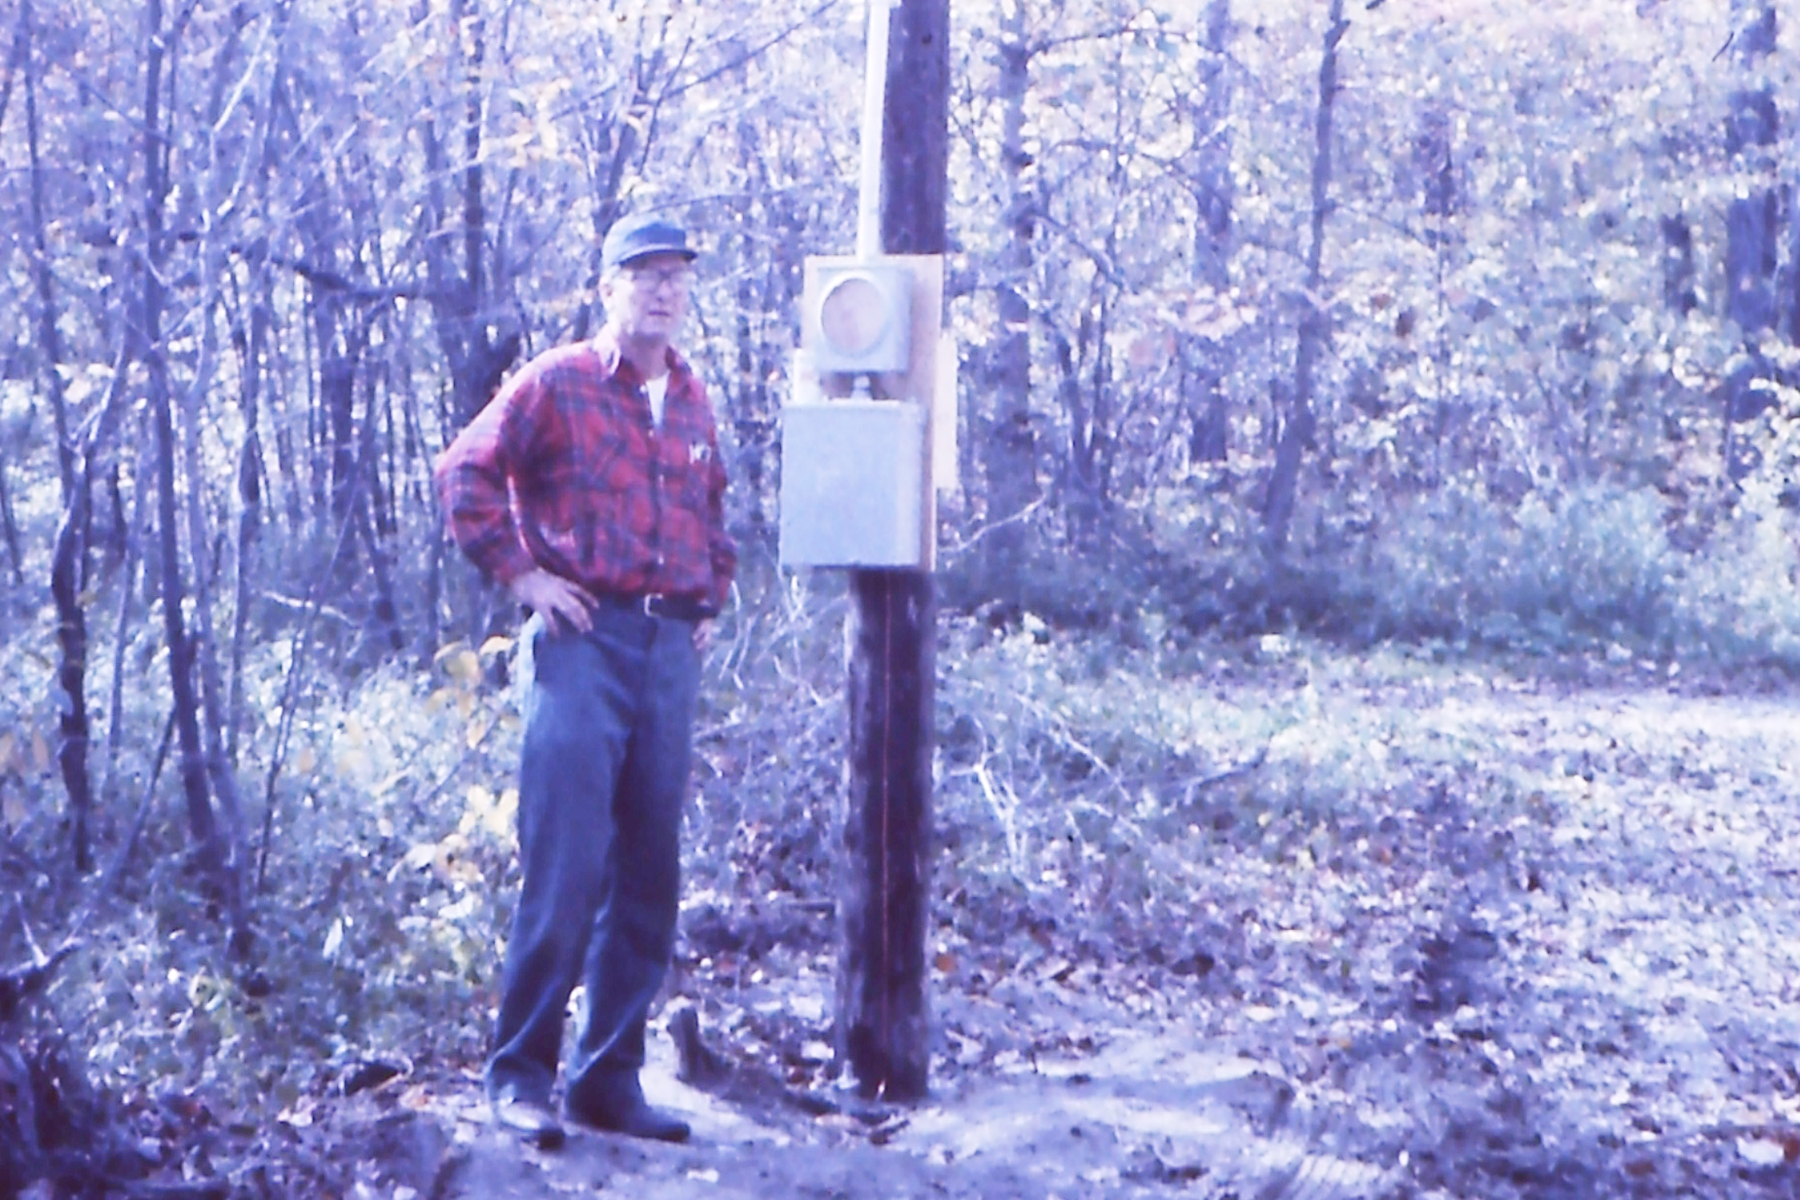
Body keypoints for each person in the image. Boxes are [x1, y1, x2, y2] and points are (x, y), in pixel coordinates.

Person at [434, 212, 735, 1148]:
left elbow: (712, 508)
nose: (662, 291)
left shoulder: (690, 400)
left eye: (676, 276)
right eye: (643, 274)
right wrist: (523, 575)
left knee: (649, 871)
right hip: (582, 646)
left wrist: (709, 598)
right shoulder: (558, 383)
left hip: (666, 653)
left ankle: (608, 1079)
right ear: (607, 286)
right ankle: (519, 1074)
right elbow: (463, 473)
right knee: (566, 865)